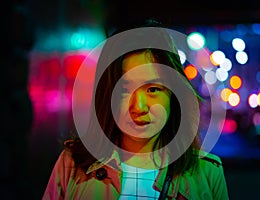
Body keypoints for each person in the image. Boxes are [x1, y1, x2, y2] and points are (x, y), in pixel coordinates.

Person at [43, 19, 229, 200]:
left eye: (153, 89)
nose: (138, 107)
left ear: (174, 94)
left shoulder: (208, 173)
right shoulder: (72, 164)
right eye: (124, 90)